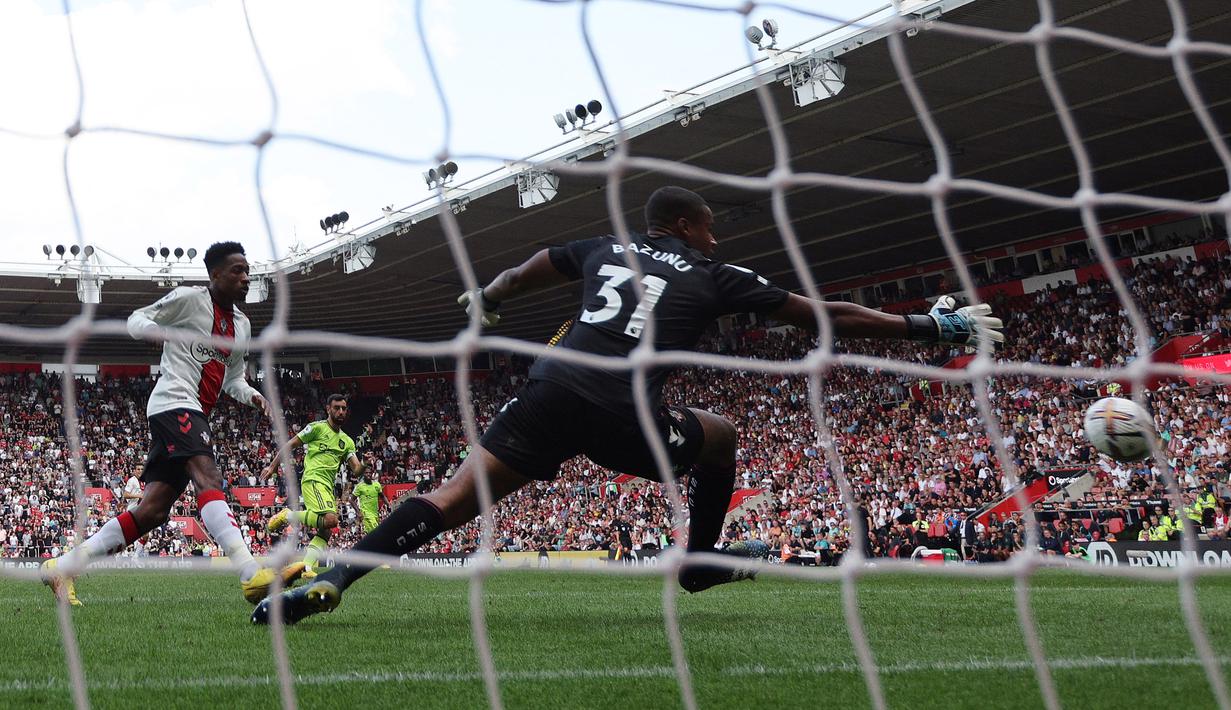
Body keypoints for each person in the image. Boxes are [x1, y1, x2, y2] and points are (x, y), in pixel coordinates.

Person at [253, 185, 1003, 625]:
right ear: (685, 226)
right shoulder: (714, 273)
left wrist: (489, 297)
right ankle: (698, 562)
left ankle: (340, 575)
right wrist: (926, 326)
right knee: (721, 435)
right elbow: (823, 317)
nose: (715, 237)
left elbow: (529, 268)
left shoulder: (602, 247)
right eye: (708, 226)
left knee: (450, 499)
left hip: (549, 389)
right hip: (620, 411)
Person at [43, 241, 303, 606]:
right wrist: (153, 330)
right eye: (237, 271)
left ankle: (62, 567)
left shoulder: (242, 326)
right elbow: (136, 319)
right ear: (215, 274)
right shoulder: (189, 299)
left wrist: (252, 396)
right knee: (208, 477)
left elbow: (233, 379)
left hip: (193, 410)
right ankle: (250, 573)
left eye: (247, 271)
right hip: (173, 402)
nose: (245, 278)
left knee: (152, 511)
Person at [263, 394, 368, 577]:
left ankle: (306, 567)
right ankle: (288, 515)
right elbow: (290, 444)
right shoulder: (317, 428)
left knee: (326, 531)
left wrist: (365, 463)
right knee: (331, 520)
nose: (341, 412)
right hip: (313, 480)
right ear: (328, 409)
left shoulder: (347, 441)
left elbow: (356, 470)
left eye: (343, 408)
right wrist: (273, 466)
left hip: (327, 487)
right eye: (337, 408)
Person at [351, 464, 389, 535]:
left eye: (369, 473)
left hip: (375, 513)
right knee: (377, 532)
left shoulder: (377, 485)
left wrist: (389, 505)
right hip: (366, 514)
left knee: (372, 534)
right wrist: (358, 512)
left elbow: (382, 496)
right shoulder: (359, 486)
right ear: (363, 474)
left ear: (372, 474)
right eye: (366, 473)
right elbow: (351, 500)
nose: (368, 474)